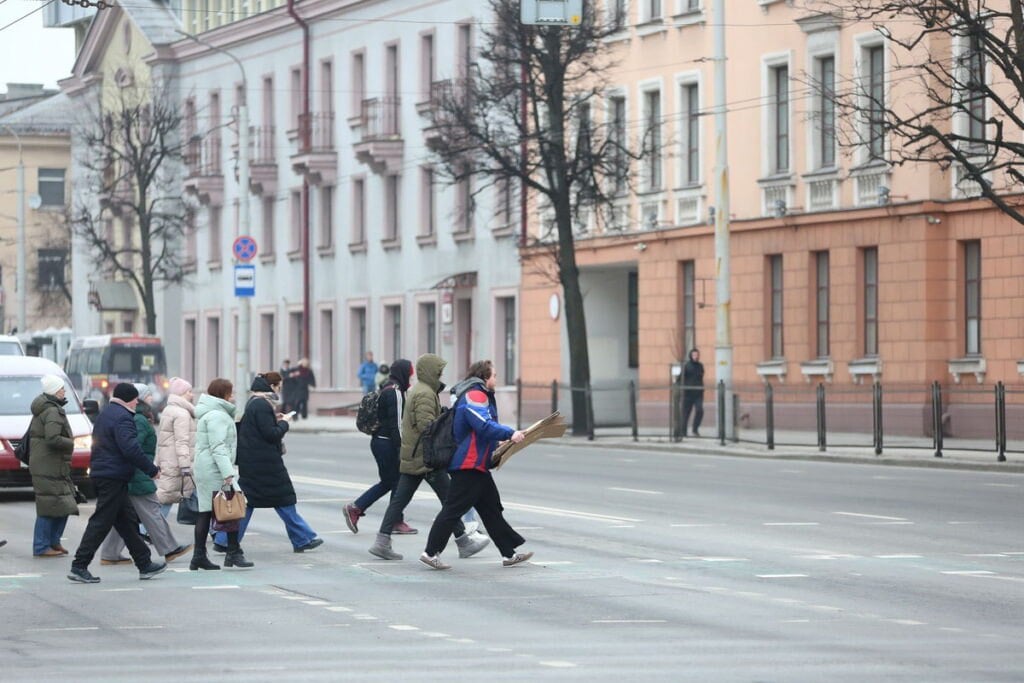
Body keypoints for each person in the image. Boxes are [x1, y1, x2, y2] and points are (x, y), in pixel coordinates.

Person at [369, 353, 489, 562]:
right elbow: (428, 427)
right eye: (439, 371)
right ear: (430, 372)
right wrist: (448, 421)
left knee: (404, 500)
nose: (441, 374)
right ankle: (462, 542)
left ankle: (382, 541)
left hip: (416, 455)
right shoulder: (424, 393)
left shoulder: (423, 391)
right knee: (450, 499)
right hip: (425, 457)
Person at [420, 360, 531, 570]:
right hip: (467, 465)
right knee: (452, 510)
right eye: (495, 375)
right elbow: (482, 425)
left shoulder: (478, 393)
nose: (496, 379)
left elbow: (483, 428)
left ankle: (509, 553)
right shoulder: (475, 395)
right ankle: (430, 552)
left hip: (477, 465)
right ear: (485, 377)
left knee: (491, 509)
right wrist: (510, 433)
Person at [67, 383, 167, 584]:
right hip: (112, 476)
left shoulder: (107, 413)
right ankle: (79, 565)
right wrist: (152, 469)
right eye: (135, 399)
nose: (137, 402)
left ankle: (144, 563)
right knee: (101, 521)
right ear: (130, 400)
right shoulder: (123, 417)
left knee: (127, 521)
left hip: (107, 474)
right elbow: (130, 448)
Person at [213, 373, 323, 553]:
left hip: (255, 463)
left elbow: (260, 428)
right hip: (265, 464)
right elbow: (271, 434)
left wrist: (275, 419)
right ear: (272, 386)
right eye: (279, 386)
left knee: (249, 503)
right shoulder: (262, 405)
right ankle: (302, 538)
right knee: (283, 500)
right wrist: (285, 423)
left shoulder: (254, 402)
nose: (279, 389)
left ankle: (224, 540)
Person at [99, 384, 191, 566]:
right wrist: (150, 469)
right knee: (152, 511)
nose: (151, 398)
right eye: (148, 395)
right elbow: (134, 449)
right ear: (138, 398)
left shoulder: (136, 417)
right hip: (138, 475)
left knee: (123, 515)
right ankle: (169, 548)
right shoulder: (139, 419)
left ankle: (110, 554)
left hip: (132, 474)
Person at [346, 360, 418, 549]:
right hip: (387, 443)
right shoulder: (395, 392)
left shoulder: (388, 387)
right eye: (410, 374)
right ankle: (392, 519)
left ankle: (358, 508)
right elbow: (397, 425)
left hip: (380, 442)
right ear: (403, 373)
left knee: (390, 482)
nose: (411, 378)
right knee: (398, 482)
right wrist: (403, 449)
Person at [191, 378, 252, 570]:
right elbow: (218, 447)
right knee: (231, 509)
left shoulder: (209, 413)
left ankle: (199, 556)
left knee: (206, 512)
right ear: (223, 394)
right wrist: (228, 474)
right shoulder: (218, 415)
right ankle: (233, 553)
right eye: (231, 393)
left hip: (206, 468)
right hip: (215, 469)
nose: (233, 396)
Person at [29, 375, 79, 558]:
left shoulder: (47, 408)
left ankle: (53, 541)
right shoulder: (52, 411)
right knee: (49, 506)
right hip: (49, 465)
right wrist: (71, 443)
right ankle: (42, 546)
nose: (64, 391)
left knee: (62, 504)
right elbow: (52, 438)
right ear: (55, 391)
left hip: (49, 464)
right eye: (62, 389)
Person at [155, 377, 196, 518]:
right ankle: (147, 531)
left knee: (167, 497)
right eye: (189, 391)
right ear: (181, 393)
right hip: (178, 464)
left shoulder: (169, 409)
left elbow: (162, 440)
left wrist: (158, 462)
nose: (192, 394)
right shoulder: (182, 414)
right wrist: (186, 465)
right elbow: (182, 441)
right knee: (167, 499)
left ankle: (147, 531)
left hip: (169, 461)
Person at [681, 348, 705, 437]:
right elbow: (682, 378)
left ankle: (695, 429)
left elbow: (701, 376)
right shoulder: (687, 366)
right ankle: (683, 432)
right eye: (694, 355)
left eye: (697, 355)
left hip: (698, 393)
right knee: (686, 413)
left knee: (700, 410)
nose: (696, 356)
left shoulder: (700, 366)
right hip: (688, 394)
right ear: (691, 356)